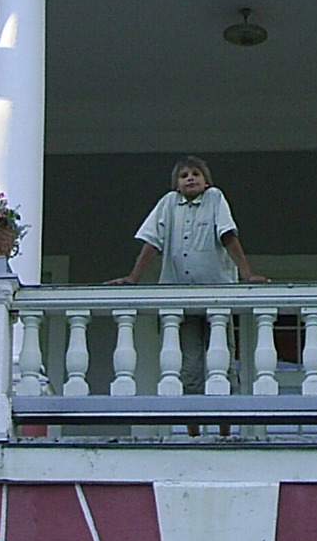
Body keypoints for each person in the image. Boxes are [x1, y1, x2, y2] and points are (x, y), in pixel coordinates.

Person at [108, 156, 268, 411]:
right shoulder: (169, 204)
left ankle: (225, 430)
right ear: (177, 185)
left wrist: (247, 274)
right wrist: (133, 278)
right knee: (189, 367)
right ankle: (193, 429)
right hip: (181, 299)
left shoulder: (214, 198)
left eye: (196, 174)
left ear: (206, 182)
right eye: (184, 176)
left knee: (222, 363)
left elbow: (227, 235)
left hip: (217, 298)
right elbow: (152, 242)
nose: (190, 178)